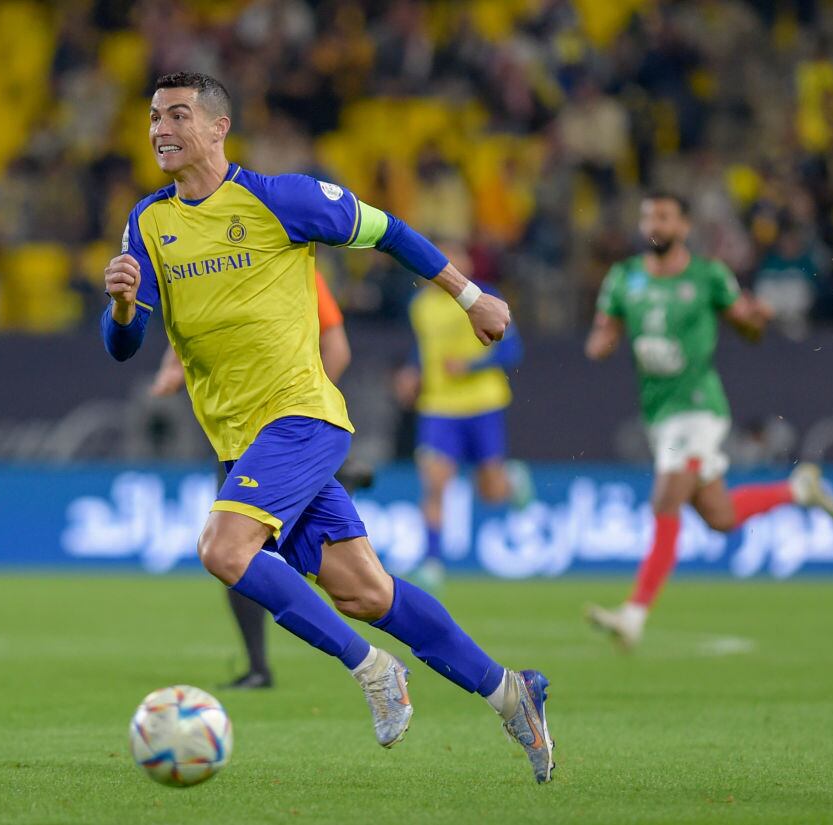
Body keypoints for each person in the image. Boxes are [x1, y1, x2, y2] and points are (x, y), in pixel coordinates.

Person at [101, 73, 554, 782]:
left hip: (302, 416)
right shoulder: (149, 222)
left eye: (179, 115)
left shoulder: (282, 198)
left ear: (220, 127)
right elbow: (123, 344)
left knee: (222, 548)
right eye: (155, 115)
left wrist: (471, 296)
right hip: (241, 440)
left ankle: (372, 669)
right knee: (366, 592)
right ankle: (509, 690)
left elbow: (389, 231)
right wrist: (124, 306)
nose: (162, 127)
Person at [583, 192, 833, 649]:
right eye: (647, 217)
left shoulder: (707, 275)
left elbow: (747, 326)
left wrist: (755, 316)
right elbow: (601, 339)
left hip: (700, 408)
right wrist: (602, 341)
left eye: (663, 216)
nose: (654, 224)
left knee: (665, 500)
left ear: (684, 226)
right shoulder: (624, 279)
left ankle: (634, 614)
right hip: (659, 413)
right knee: (719, 515)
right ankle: (798, 489)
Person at [150, 271, 355, 690]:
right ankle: (259, 665)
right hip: (238, 438)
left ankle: (358, 658)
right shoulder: (216, 267)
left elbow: (336, 347)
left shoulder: (292, 268)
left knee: (243, 548)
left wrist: (308, 414)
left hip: (286, 433)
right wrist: (174, 366)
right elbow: (193, 332)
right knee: (233, 552)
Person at [395, 243, 531, 593]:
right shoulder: (420, 306)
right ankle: (432, 562)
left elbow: (513, 350)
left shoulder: (486, 296)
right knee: (435, 482)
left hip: (482, 403)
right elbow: (423, 348)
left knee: (490, 491)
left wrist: (471, 367)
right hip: (439, 407)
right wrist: (413, 371)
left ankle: (510, 481)